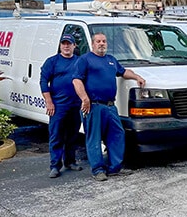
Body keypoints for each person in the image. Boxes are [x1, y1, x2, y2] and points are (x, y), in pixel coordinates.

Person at [72, 32, 147, 182]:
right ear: (93, 44)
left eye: (104, 41)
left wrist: (137, 77)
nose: (101, 44)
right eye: (98, 41)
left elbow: (124, 72)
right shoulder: (85, 60)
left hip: (110, 107)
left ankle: (114, 168)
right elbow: (76, 80)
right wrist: (84, 99)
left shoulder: (111, 60)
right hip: (93, 106)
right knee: (94, 138)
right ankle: (98, 170)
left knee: (117, 135)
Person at [41, 35, 83, 178]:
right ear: (60, 46)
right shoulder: (52, 61)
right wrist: (49, 101)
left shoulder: (79, 61)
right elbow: (43, 81)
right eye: (64, 44)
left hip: (75, 105)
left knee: (72, 135)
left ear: (74, 46)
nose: (66, 46)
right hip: (58, 105)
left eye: (69, 44)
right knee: (56, 135)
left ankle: (70, 161)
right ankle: (55, 166)